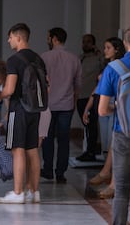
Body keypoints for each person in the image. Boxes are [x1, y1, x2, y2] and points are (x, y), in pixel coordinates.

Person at [96, 24, 130, 225]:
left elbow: (101, 110)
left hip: (123, 132)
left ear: (125, 44)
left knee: (123, 187)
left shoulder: (112, 68)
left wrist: (118, 108)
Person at [0, 23, 45, 204]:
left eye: (10, 37)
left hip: (18, 109)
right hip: (35, 109)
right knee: (32, 150)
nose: (8, 40)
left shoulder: (14, 60)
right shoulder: (38, 59)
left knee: (17, 150)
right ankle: (34, 191)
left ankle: (17, 192)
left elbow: (9, 89)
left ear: (18, 37)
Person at [84, 37, 125, 199]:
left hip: (116, 106)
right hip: (112, 106)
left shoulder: (117, 67)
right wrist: (88, 106)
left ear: (117, 49)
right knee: (113, 141)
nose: (105, 50)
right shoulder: (110, 66)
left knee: (116, 142)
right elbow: (98, 90)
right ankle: (106, 172)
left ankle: (109, 176)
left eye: (108, 47)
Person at [40, 27, 82, 184]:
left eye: (48, 37)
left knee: (47, 137)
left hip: (48, 104)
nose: (47, 40)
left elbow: (40, 81)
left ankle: (48, 169)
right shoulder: (74, 58)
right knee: (64, 139)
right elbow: (78, 84)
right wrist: (74, 101)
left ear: (54, 38)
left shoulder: (44, 57)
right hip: (66, 104)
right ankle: (61, 172)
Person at [76, 34, 103, 161]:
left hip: (91, 96)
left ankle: (91, 151)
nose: (85, 44)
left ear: (93, 44)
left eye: (88, 42)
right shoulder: (80, 58)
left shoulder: (98, 58)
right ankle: (89, 150)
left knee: (91, 125)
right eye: (83, 42)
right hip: (80, 96)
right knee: (86, 125)